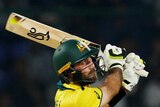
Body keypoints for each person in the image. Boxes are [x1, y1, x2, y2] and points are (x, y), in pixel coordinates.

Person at [53, 39, 148, 107]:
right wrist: (115, 63)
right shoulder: (75, 99)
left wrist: (125, 86)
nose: (92, 66)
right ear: (68, 72)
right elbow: (111, 89)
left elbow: (104, 104)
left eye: (90, 60)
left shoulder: (71, 90)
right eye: (83, 63)